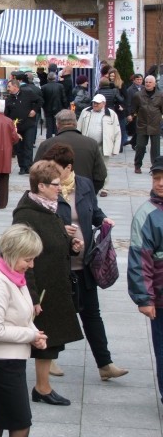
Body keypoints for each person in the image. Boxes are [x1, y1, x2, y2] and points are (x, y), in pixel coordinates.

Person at [41, 143, 128, 380]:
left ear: (69, 168)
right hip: (59, 265)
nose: (52, 172)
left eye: (56, 168)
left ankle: (105, 364)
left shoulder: (85, 185)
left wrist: (103, 220)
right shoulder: (48, 189)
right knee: (56, 313)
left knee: (92, 314)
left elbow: (93, 211)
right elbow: (40, 223)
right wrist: (62, 231)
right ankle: (48, 361)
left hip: (84, 263)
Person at [12, 160, 84, 406]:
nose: (60, 189)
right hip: (39, 289)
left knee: (49, 341)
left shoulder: (49, 207)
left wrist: (71, 246)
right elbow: (21, 257)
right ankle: (32, 388)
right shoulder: (26, 215)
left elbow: (52, 244)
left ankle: (42, 387)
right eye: (55, 184)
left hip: (54, 285)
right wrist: (32, 297)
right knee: (34, 339)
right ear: (40, 186)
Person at [0, 224, 47, 437]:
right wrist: (30, 335)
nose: (31, 264)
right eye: (27, 259)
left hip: (9, 360)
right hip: (0, 363)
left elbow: (22, 314)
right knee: (20, 423)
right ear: (12, 254)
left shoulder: (13, 275)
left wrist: (35, 334)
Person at [128, 156, 163, 403]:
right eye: (157, 178)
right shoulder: (147, 214)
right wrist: (144, 298)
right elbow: (140, 260)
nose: (160, 183)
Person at [34, 109, 107, 194]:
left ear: (57, 125)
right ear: (76, 124)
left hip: (54, 195)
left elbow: (36, 173)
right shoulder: (92, 144)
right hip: (83, 194)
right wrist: (90, 191)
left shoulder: (46, 144)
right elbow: (100, 175)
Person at [77, 94, 121, 197]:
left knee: (104, 167)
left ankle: (104, 188)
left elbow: (117, 132)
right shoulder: (86, 112)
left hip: (103, 145)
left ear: (104, 104)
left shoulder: (111, 114)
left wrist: (115, 148)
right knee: (87, 167)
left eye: (97, 103)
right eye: (94, 102)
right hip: (87, 145)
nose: (95, 104)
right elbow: (79, 127)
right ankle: (87, 187)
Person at [5, 79, 41, 175]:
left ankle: (29, 166)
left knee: (28, 145)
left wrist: (34, 110)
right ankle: (22, 167)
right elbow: (6, 114)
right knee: (18, 147)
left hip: (29, 124)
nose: (7, 89)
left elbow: (40, 101)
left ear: (15, 86)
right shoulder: (9, 99)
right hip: (17, 127)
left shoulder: (27, 93)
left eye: (9, 86)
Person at [131, 75, 163, 174]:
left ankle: (155, 168)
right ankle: (137, 165)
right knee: (140, 146)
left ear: (154, 84)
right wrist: (133, 116)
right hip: (142, 125)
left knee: (155, 149)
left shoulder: (160, 95)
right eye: (146, 82)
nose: (148, 84)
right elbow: (134, 109)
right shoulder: (138, 95)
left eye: (150, 82)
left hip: (155, 125)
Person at [41, 72, 69, 139]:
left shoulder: (44, 87)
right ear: (55, 78)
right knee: (58, 127)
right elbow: (63, 98)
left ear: (48, 78)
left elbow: (42, 99)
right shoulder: (60, 86)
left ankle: (49, 141)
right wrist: (65, 107)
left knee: (49, 128)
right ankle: (58, 141)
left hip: (47, 110)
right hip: (58, 109)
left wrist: (44, 107)